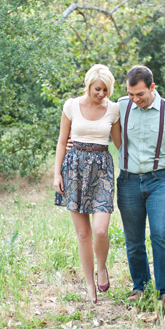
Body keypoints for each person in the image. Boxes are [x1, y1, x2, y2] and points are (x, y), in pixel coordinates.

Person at [117, 65, 165, 312]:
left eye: (140, 94)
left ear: (152, 87)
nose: (135, 99)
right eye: (130, 94)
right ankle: (140, 287)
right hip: (128, 181)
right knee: (133, 239)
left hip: (160, 180)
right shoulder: (120, 106)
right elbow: (94, 118)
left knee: (161, 233)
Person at [54, 64, 121, 304]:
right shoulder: (71, 105)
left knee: (101, 230)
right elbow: (62, 142)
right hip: (73, 169)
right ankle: (90, 286)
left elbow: (120, 144)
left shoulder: (113, 110)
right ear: (88, 85)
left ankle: (101, 267)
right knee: (83, 234)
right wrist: (56, 174)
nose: (101, 94)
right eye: (97, 89)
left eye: (105, 90)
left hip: (102, 169)